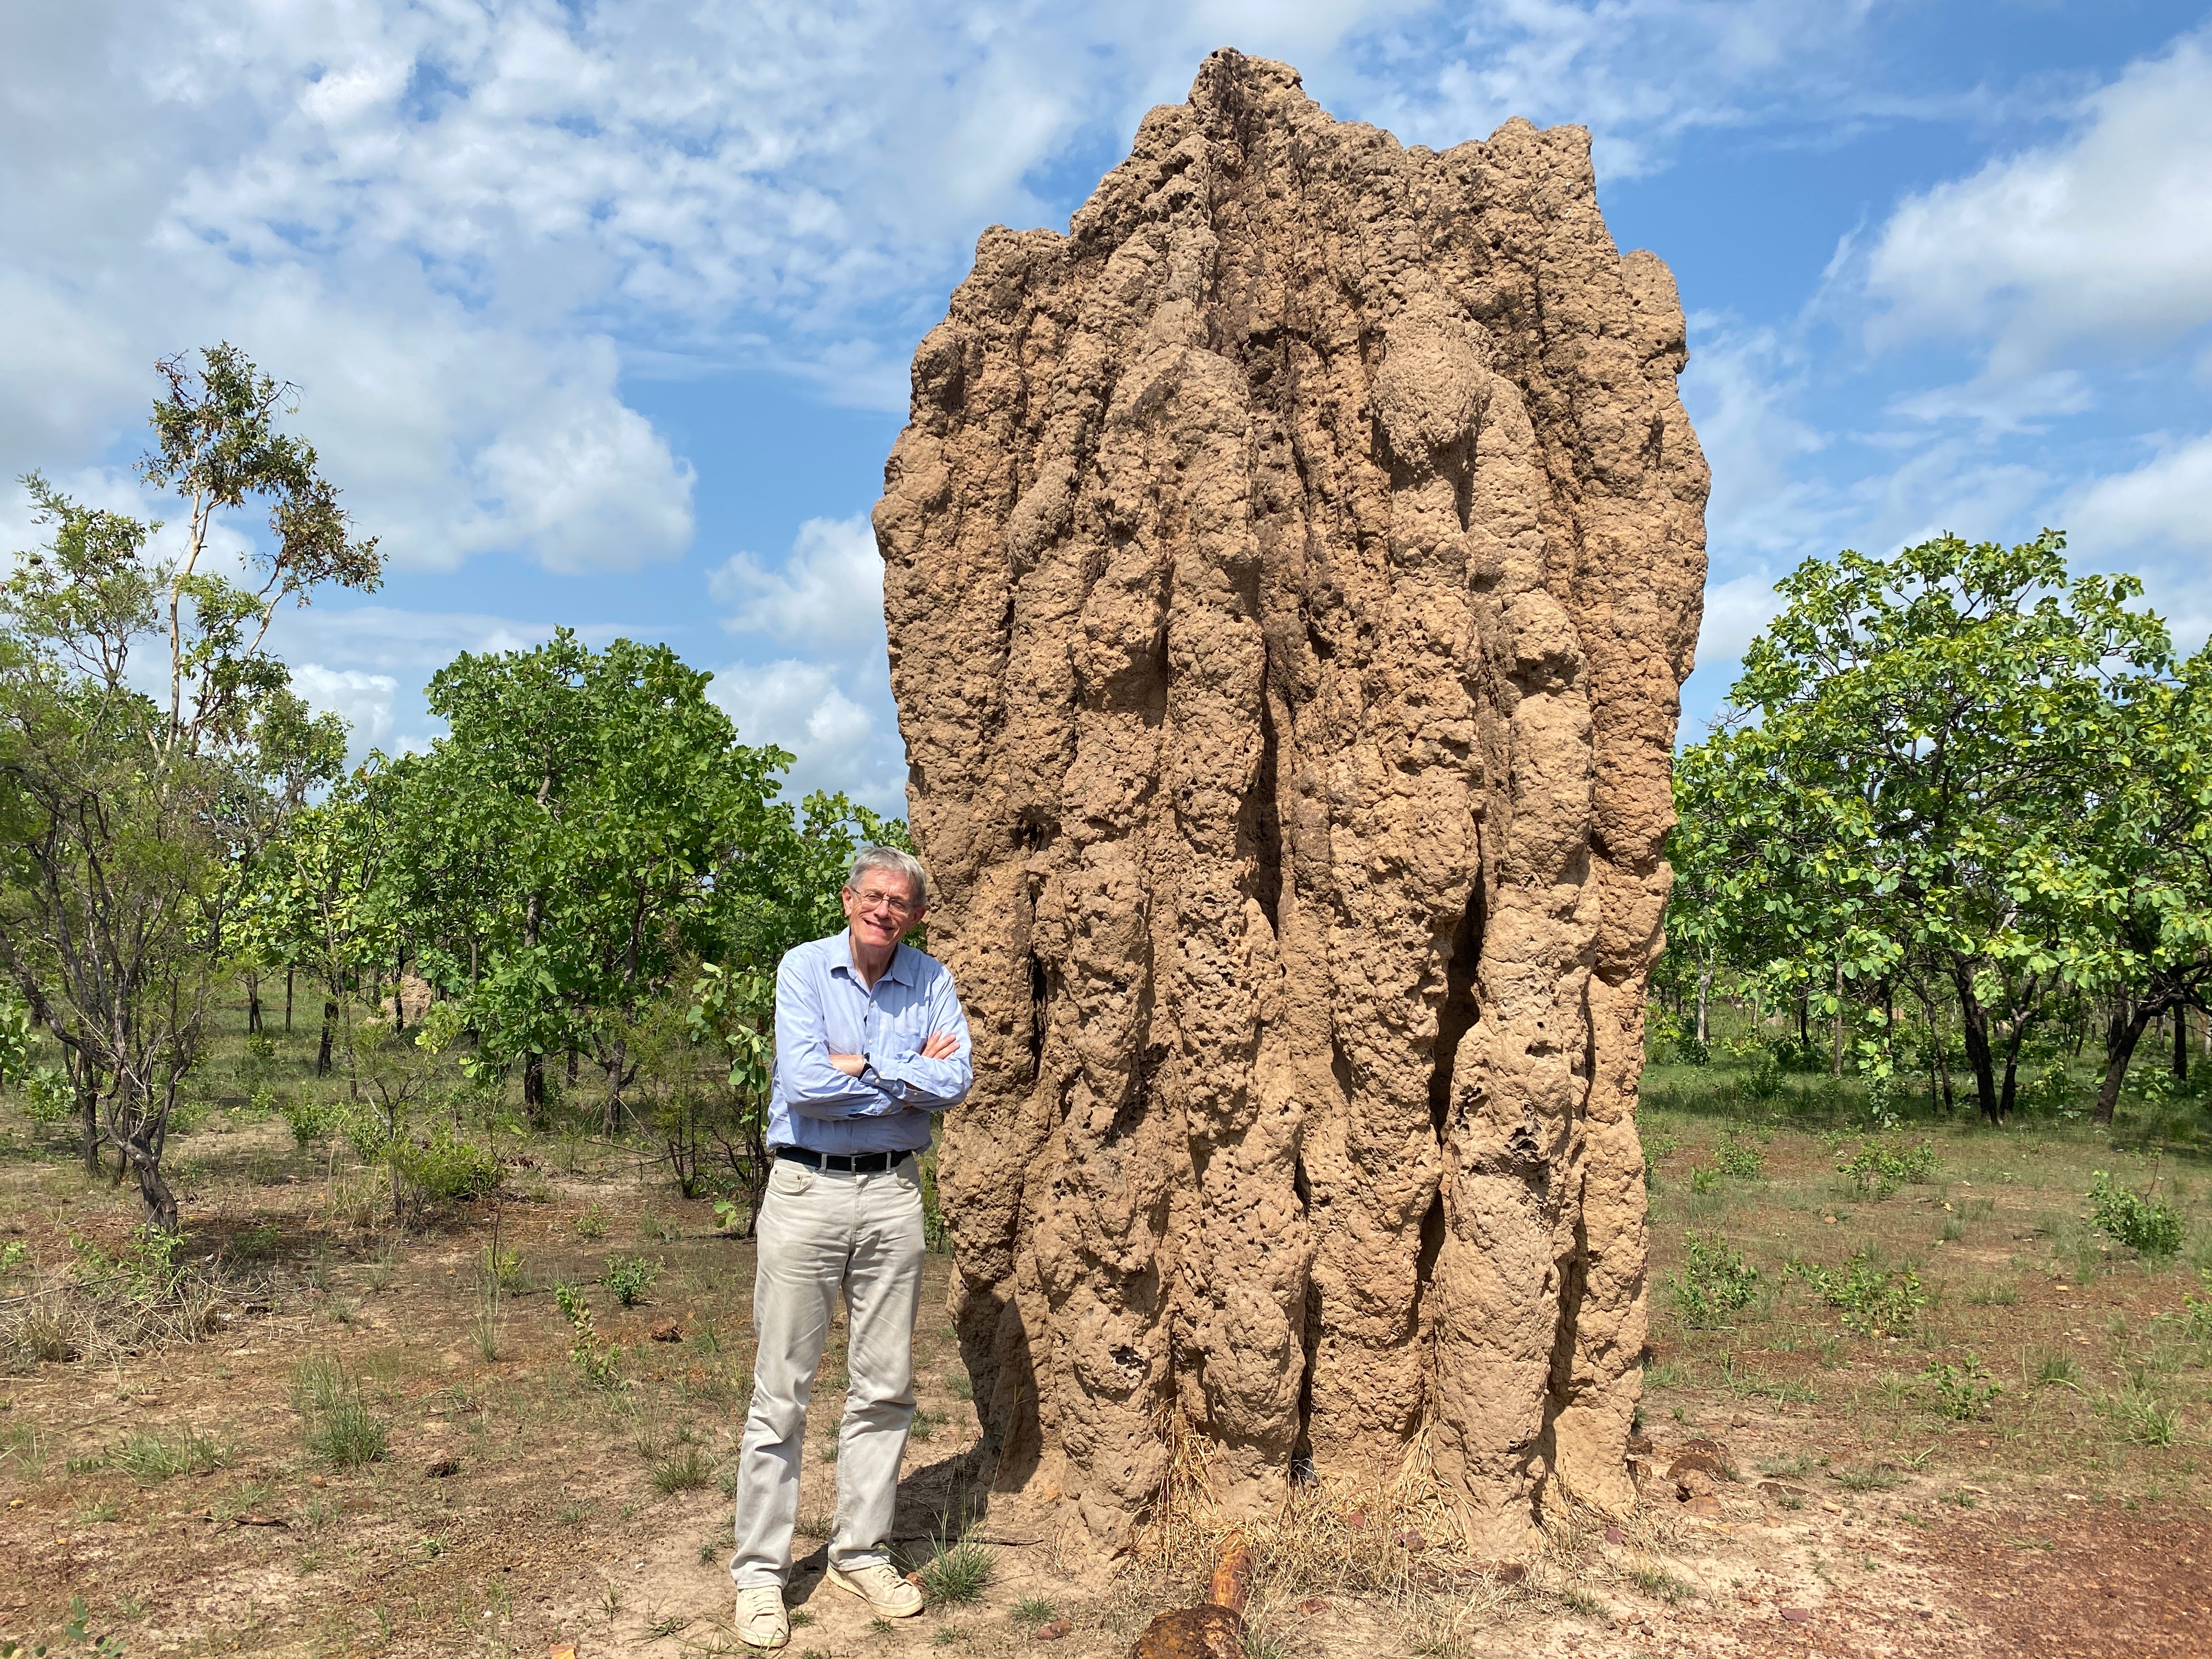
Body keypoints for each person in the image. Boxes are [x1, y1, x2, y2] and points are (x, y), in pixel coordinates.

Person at [729, 845, 973, 1651]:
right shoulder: (803, 969)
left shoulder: (932, 981)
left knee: (885, 1385)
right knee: (782, 1390)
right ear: (847, 899)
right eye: (873, 896)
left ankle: (859, 1551)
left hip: (896, 1193)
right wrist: (903, 1071)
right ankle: (761, 1576)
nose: (885, 911)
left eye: (901, 902)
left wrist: (861, 1064)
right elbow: (804, 1086)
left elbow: (956, 1083)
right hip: (806, 1190)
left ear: (919, 914)